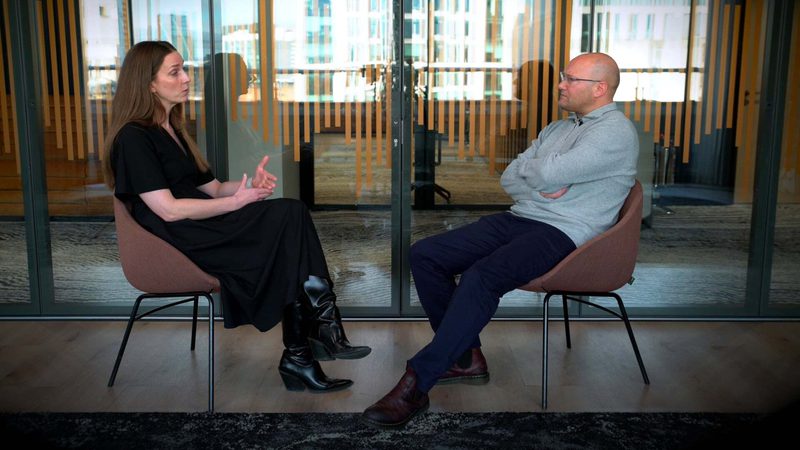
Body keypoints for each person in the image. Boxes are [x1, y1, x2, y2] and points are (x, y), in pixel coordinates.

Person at [361, 52, 639, 427]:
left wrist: (541, 175)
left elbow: (545, 172)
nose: (561, 84)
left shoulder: (614, 132)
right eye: (564, 76)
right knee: (426, 254)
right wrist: (541, 183)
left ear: (600, 89)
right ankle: (465, 357)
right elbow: (510, 177)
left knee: (482, 276)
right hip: (522, 218)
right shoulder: (559, 129)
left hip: (566, 233)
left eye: (571, 79)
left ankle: (417, 381)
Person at [102, 41, 371, 394]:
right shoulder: (134, 138)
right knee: (289, 219)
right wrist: (235, 205)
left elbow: (212, 189)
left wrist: (249, 188)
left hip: (201, 225)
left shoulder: (173, 129)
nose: (186, 78)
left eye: (184, 69)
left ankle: (308, 346)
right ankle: (314, 338)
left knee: (290, 220)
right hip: (179, 239)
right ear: (148, 83)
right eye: (175, 72)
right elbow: (167, 208)